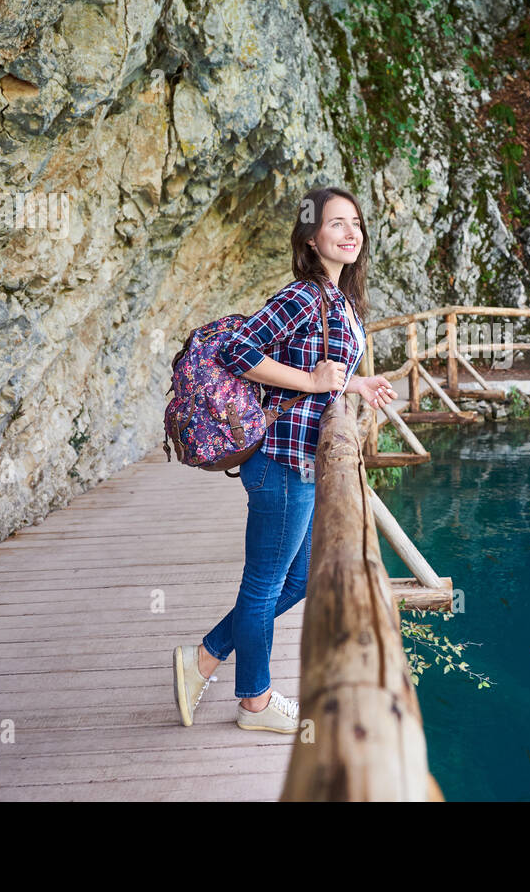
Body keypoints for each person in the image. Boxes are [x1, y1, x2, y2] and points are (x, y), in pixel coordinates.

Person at [171, 186, 398, 733]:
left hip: (300, 460)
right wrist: (311, 380)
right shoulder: (303, 295)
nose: (350, 232)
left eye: (356, 223)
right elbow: (238, 351)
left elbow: (325, 371)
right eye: (336, 223)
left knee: (295, 579)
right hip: (282, 458)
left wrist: (354, 382)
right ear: (311, 236)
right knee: (265, 583)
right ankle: (254, 701)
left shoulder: (340, 300)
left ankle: (202, 659)